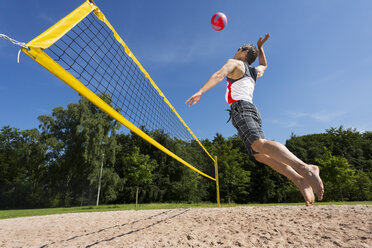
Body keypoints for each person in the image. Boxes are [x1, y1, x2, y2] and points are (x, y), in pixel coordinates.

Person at [185, 34, 324, 206]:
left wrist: (200, 91)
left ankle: (305, 168)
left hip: (242, 108)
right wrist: (261, 47)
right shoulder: (254, 71)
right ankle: (298, 179)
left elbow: (219, 75)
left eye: (237, 50)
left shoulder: (234, 63)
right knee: (259, 155)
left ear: (243, 53)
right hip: (247, 110)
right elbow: (264, 65)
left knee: (259, 144)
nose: (234, 52)